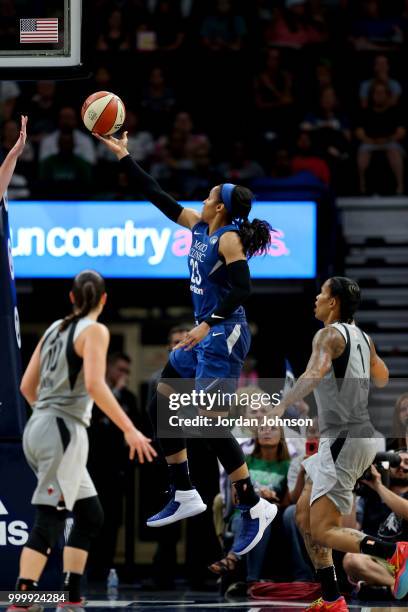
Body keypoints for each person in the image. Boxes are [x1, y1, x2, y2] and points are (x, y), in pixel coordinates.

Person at [96, 129, 276, 558]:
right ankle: (183, 490)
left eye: (211, 193)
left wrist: (206, 325)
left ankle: (253, 504)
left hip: (224, 332)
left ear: (221, 206)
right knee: (163, 395)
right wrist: (125, 157)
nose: (204, 196)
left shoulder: (229, 237)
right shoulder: (198, 226)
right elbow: (157, 195)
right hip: (203, 333)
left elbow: (242, 290)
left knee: (208, 423)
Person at [8, 270, 156, 610]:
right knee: (50, 518)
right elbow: (94, 383)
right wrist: (129, 429)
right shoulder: (95, 330)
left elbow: (26, 387)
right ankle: (23, 597)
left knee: (91, 514)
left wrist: (46, 419)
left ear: (72, 298)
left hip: (39, 427)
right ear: (103, 300)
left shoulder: (53, 328)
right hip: (62, 430)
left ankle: (70, 594)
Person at [269, 276, 408, 611]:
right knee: (303, 515)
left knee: (324, 531)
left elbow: (314, 373)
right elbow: (383, 376)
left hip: (344, 439)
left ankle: (394, 553)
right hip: (349, 436)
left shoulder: (327, 334)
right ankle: (331, 597)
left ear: (333, 303)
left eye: (322, 293)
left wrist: (280, 405)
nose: (316, 297)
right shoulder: (363, 337)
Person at [209, 425, 291, 584]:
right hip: (241, 512)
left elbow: (288, 502)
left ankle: (233, 559)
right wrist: (255, 495)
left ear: (281, 435)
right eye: (262, 429)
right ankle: (251, 580)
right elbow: (234, 499)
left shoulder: (287, 465)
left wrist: (273, 497)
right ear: (256, 436)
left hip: (273, 515)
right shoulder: (244, 462)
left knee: (263, 517)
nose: (266, 431)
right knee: (251, 518)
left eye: (272, 428)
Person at [343, 451, 408, 594]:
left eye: (407, 462)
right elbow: (349, 530)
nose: (401, 466)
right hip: (381, 564)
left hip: (405, 562)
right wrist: (351, 489)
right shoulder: (369, 496)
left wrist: (379, 487)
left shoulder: (379, 489)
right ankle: (397, 589)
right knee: (351, 560)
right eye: (397, 462)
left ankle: (384, 588)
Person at [356, 81, 406, 195]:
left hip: (390, 142)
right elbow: (359, 132)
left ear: (387, 95)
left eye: (382, 93)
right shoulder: (366, 112)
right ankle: (362, 186)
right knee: (363, 152)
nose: (379, 95)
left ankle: (400, 186)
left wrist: (387, 139)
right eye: (376, 93)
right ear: (372, 95)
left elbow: (401, 132)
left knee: (394, 152)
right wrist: (371, 141)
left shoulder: (395, 112)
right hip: (370, 142)